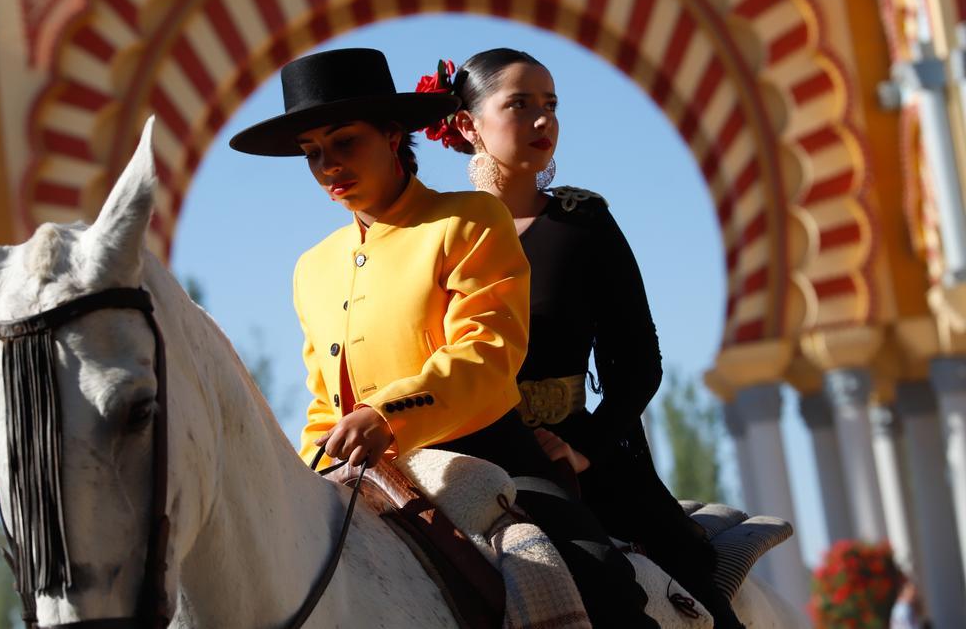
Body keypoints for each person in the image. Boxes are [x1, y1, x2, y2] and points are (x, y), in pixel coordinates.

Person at [230, 47, 656, 629]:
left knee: (601, 583)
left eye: (344, 142)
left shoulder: (471, 220)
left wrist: (385, 414)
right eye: (313, 154)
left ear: (391, 135)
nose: (329, 165)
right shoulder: (313, 267)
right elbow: (326, 401)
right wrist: (304, 474)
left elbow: (486, 354)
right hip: (362, 474)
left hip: (490, 455)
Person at [416, 48, 743, 629]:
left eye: (551, 105)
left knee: (682, 595)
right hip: (466, 455)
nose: (544, 121)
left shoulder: (584, 223)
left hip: (577, 456)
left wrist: (584, 448)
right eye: (520, 105)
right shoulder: (436, 233)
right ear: (467, 124)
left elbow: (639, 362)